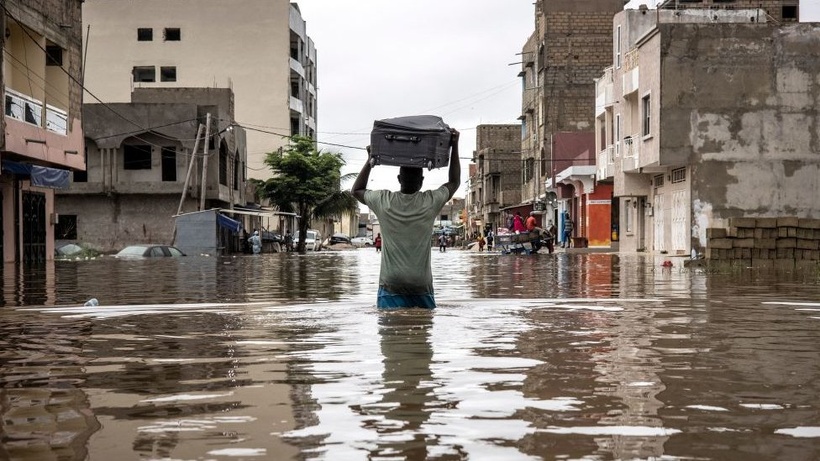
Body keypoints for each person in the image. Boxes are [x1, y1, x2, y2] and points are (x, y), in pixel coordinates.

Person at [352, 128, 461, 309]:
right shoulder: (430, 201)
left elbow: (356, 190)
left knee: (391, 333)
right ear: (422, 181)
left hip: (391, 283)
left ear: (398, 178)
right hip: (421, 284)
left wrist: (370, 160)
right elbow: (454, 182)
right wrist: (455, 145)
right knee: (421, 332)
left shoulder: (384, 201)